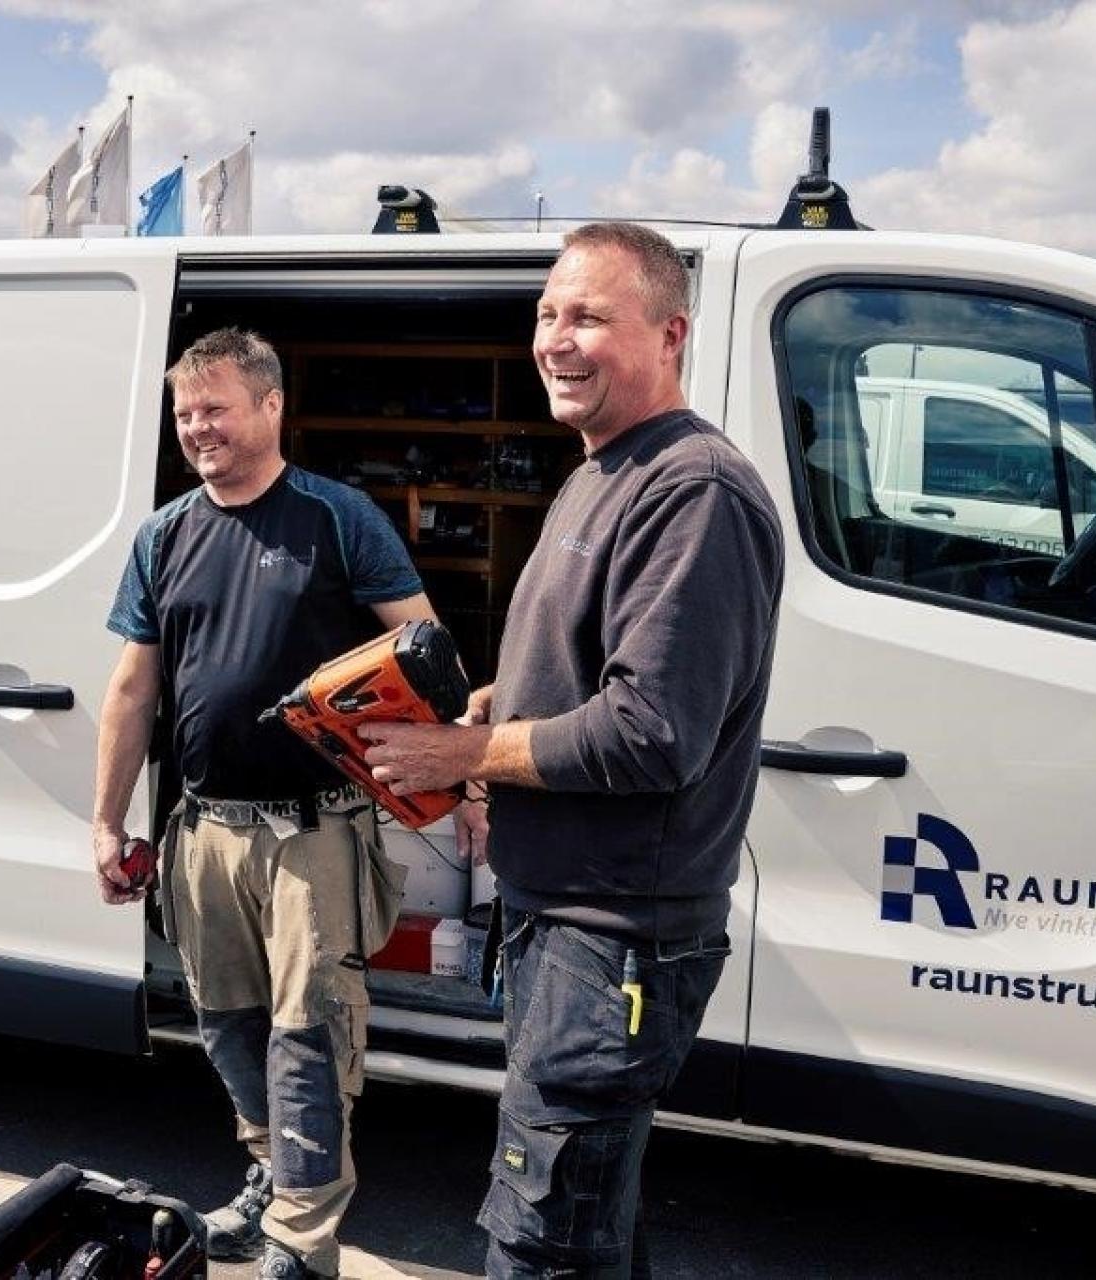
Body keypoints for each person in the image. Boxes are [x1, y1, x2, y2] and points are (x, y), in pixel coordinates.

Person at [360, 222, 785, 1277]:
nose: (556, 337)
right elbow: (598, 671)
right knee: (586, 1228)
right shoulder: (602, 467)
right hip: (566, 925)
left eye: (590, 315)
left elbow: (653, 730)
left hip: (614, 941)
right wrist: (500, 699)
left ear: (671, 332)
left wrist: (467, 750)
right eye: (549, 312)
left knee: (539, 1239)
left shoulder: (694, 493)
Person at [91, 328, 434, 1280]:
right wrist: (108, 820)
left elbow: (423, 651)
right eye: (185, 412)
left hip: (313, 835)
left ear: (271, 407)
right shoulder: (165, 535)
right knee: (229, 1025)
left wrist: (453, 780)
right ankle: (268, 1173)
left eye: (217, 408)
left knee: (308, 1035)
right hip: (205, 830)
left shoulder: (336, 519)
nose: (198, 428)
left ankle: (301, 1237)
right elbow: (132, 689)